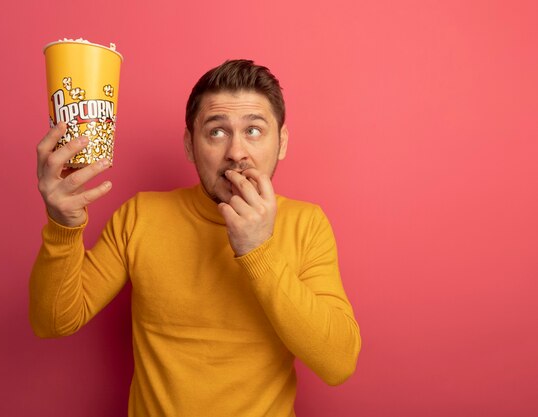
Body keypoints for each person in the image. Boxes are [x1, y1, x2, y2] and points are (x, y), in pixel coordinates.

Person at [30, 59, 361, 416]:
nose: (236, 152)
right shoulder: (141, 216)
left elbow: (338, 362)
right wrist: (62, 225)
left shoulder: (306, 224)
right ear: (190, 145)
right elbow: (53, 322)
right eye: (216, 131)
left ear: (281, 143)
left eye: (254, 130)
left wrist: (258, 251)